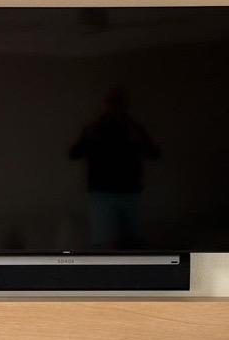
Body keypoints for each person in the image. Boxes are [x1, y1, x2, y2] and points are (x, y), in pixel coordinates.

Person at [69, 87, 161, 248]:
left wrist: (136, 136)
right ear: (107, 106)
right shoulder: (95, 129)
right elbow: (74, 153)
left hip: (130, 193)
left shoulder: (134, 128)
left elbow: (154, 153)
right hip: (102, 194)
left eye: (119, 104)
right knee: (106, 245)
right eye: (113, 104)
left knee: (134, 245)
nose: (116, 109)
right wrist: (89, 136)